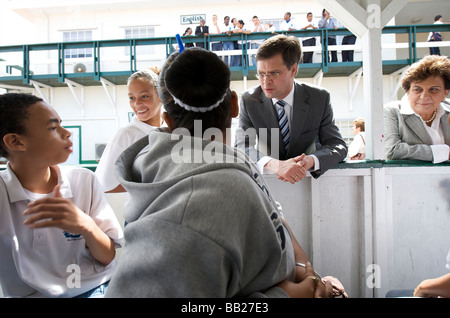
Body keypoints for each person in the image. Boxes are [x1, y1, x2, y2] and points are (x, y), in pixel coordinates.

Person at [105, 47, 339, 298]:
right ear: (235, 105)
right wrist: (290, 295)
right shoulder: (187, 211)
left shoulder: (237, 165)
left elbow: (275, 217)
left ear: (167, 120)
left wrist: (306, 271)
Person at [0, 93, 123, 298]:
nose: (67, 133)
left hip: (95, 289)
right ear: (15, 141)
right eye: (52, 128)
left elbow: (107, 257)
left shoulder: (83, 180)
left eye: (61, 125)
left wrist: (86, 225)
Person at [235, 34, 347, 183]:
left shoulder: (319, 98)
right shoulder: (249, 100)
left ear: (293, 70)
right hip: (268, 184)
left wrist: (310, 161)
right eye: (261, 74)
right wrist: (275, 164)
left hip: (311, 182)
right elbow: (241, 147)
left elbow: (337, 146)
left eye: (274, 73)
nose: (265, 81)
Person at [95, 67, 162, 192]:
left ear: (160, 96)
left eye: (144, 96)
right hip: (142, 209)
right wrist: (150, 187)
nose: (137, 104)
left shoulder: (170, 130)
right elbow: (103, 184)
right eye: (132, 98)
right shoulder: (125, 135)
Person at [384, 54, 450, 163]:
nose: (424, 96)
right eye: (417, 89)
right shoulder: (391, 112)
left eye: (433, 89)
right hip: (409, 179)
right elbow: (391, 151)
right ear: (408, 91)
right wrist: (443, 152)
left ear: (445, 93)